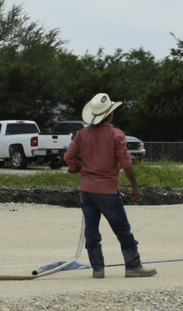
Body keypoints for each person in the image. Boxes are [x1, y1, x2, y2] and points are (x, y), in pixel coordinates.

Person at [63, 93, 154, 278]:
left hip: (87, 190)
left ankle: (98, 269)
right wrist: (135, 186)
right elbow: (126, 163)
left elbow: (68, 157)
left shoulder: (81, 134)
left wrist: (80, 169)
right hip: (108, 191)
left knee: (91, 230)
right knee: (122, 230)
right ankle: (133, 266)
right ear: (110, 115)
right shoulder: (116, 134)